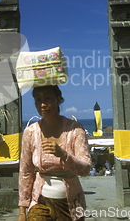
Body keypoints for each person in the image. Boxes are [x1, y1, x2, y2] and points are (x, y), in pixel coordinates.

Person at [18, 85, 91, 221]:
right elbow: (26, 172)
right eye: (38, 100)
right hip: (40, 201)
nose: (43, 104)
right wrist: (22, 210)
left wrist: (64, 155)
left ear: (58, 100)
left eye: (48, 99)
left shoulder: (75, 129)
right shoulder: (31, 132)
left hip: (71, 205)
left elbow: (85, 169)